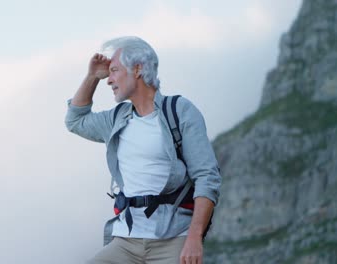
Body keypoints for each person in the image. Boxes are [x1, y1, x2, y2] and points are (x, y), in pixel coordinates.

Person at [65, 36, 221, 264]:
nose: (109, 80)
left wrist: (194, 238)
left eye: (115, 70)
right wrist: (91, 77)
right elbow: (75, 121)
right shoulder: (117, 118)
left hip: (173, 238)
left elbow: (207, 177)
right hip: (126, 240)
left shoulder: (179, 111)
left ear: (137, 69)